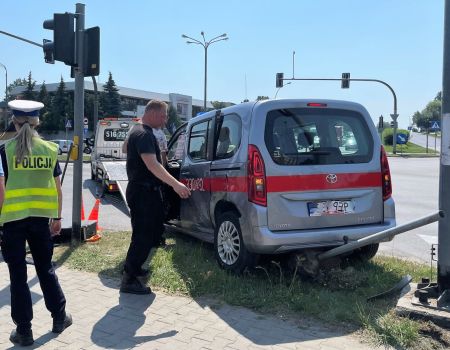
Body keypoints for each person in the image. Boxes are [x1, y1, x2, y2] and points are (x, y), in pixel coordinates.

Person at [0, 100, 72, 346]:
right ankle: (59, 317)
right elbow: (58, 189)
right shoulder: (50, 150)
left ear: (14, 122)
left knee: (18, 276)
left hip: (12, 222)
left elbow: (1, 191)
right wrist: (58, 218)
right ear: (37, 122)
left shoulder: (4, 151)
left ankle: (24, 331)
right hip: (42, 221)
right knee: (45, 268)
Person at [121, 99, 190, 294]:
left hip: (144, 191)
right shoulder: (143, 134)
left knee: (146, 234)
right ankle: (129, 279)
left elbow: (128, 149)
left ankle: (134, 268)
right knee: (143, 236)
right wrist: (176, 185)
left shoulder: (140, 131)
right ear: (151, 113)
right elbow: (153, 165)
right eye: (163, 115)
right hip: (143, 192)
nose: (165, 119)